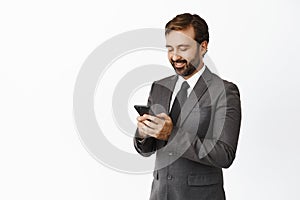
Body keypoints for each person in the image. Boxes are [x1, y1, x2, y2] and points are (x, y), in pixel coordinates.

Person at [133, 13, 241, 200]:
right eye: (170, 49)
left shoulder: (225, 91)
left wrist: (171, 134)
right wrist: (144, 133)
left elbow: (225, 154)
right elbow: (146, 149)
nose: (175, 56)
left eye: (183, 48)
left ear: (203, 47)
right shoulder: (159, 87)